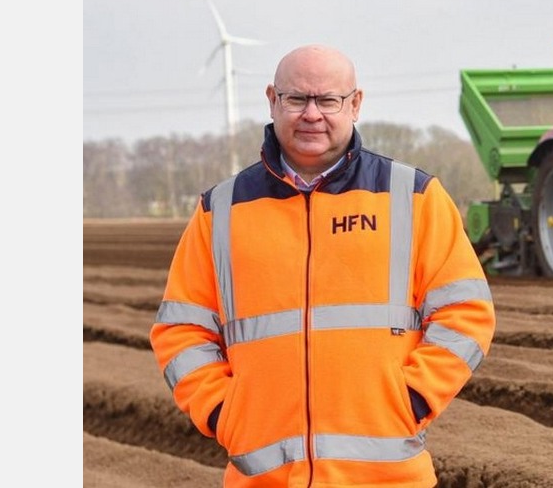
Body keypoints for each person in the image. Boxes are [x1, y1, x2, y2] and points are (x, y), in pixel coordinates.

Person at [150, 44, 496, 487]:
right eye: (297, 99)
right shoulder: (220, 210)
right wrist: (226, 412)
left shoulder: (413, 196)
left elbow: (466, 314)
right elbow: (180, 330)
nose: (312, 114)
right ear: (273, 100)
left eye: (328, 100)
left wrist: (410, 399)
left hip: (388, 479)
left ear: (355, 104)